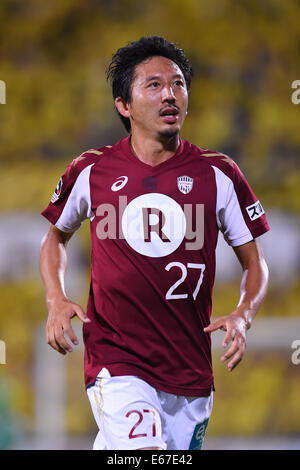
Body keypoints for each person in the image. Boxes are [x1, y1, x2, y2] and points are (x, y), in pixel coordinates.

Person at [39, 36, 269, 451]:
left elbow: (255, 263)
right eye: (154, 85)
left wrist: (243, 314)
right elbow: (56, 236)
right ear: (123, 105)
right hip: (119, 361)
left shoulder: (220, 174)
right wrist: (55, 298)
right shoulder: (91, 171)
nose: (170, 94)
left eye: (178, 84)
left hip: (190, 371)